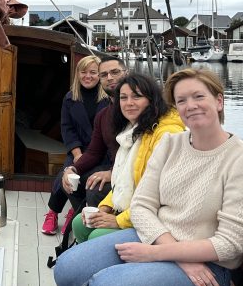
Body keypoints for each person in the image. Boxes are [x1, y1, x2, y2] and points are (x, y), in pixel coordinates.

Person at [54, 68, 243, 286]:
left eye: (198, 96)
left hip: (207, 270)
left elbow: (230, 244)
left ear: (219, 101)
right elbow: (142, 205)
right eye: (181, 100)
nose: (190, 105)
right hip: (155, 236)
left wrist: (160, 253)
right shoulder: (171, 144)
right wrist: (171, 251)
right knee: (67, 269)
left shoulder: (237, 159)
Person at [71, 73, 184, 243]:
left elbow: (161, 195)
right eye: (123, 98)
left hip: (155, 218)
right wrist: (105, 207)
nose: (129, 103)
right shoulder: (131, 132)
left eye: (136, 96)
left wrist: (118, 221)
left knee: (97, 236)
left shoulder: (166, 134)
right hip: (131, 208)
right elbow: (122, 181)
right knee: (80, 224)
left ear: (151, 100)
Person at [42, 55, 109, 235]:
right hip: (78, 149)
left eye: (93, 72)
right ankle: (53, 212)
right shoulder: (70, 98)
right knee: (66, 176)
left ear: (99, 75)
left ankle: (73, 212)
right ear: (77, 74)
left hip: (101, 152)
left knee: (86, 180)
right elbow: (67, 128)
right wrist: (77, 154)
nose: (88, 76)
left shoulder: (109, 99)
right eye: (84, 72)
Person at [61, 56, 127, 209]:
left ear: (126, 73)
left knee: (95, 190)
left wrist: (113, 172)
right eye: (104, 74)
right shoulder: (103, 115)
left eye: (115, 72)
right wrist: (72, 169)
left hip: (127, 170)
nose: (109, 78)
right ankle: (79, 215)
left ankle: (92, 218)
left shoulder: (135, 108)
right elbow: (94, 151)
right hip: (96, 157)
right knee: (68, 180)